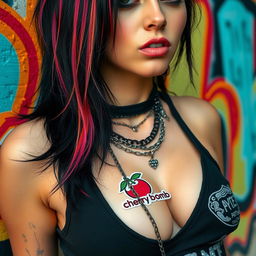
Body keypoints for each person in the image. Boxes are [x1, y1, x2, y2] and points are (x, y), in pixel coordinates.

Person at [0, 0, 240, 255]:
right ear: (77, 14)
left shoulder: (202, 119)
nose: (157, 18)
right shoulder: (31, 153)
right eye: (126, 2)